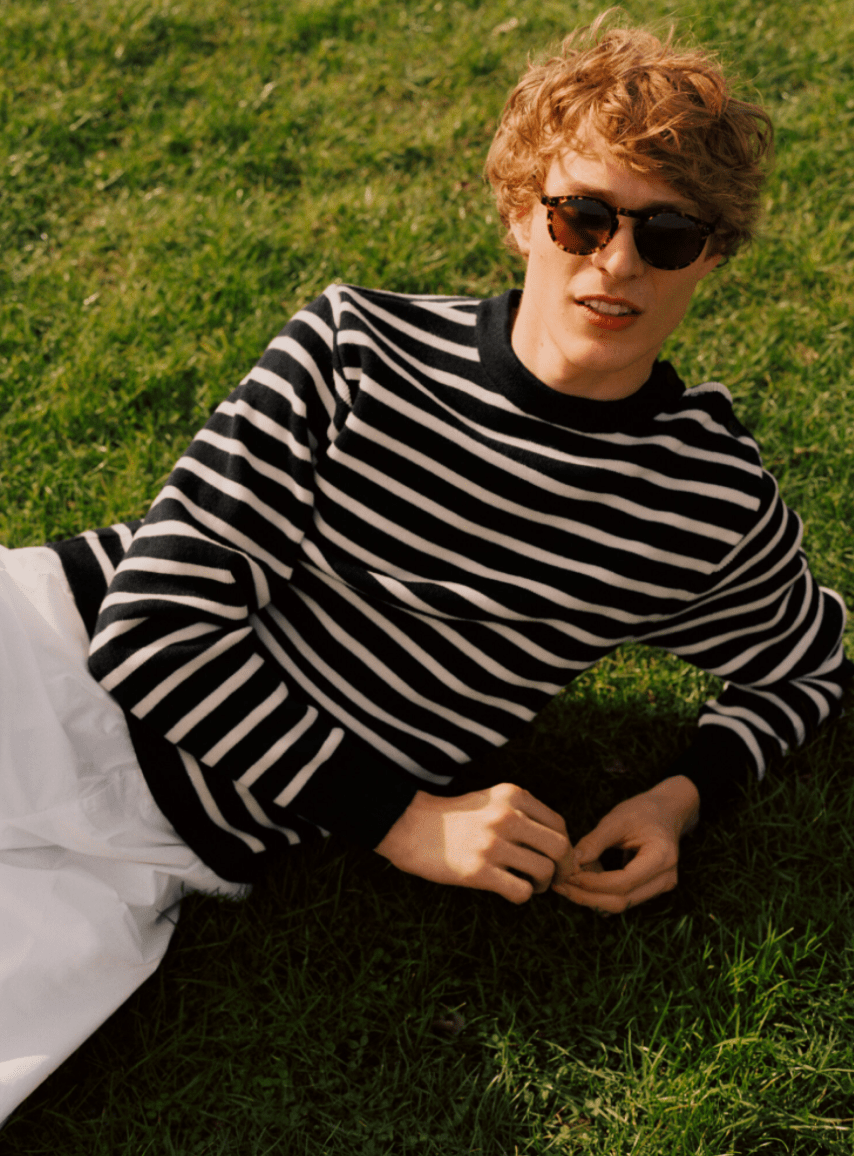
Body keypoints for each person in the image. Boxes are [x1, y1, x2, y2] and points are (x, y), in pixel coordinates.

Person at [1, 11, 850, 1124]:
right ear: (522, 212)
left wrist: (677, 797)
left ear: (714, 253)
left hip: (161, 855)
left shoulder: (701, 499)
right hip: (45, 664)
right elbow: (151, 629)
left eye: (668, 234)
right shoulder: (355, 348)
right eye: (583, 216)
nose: (614, 262)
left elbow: (809, 664)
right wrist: (401, 818)